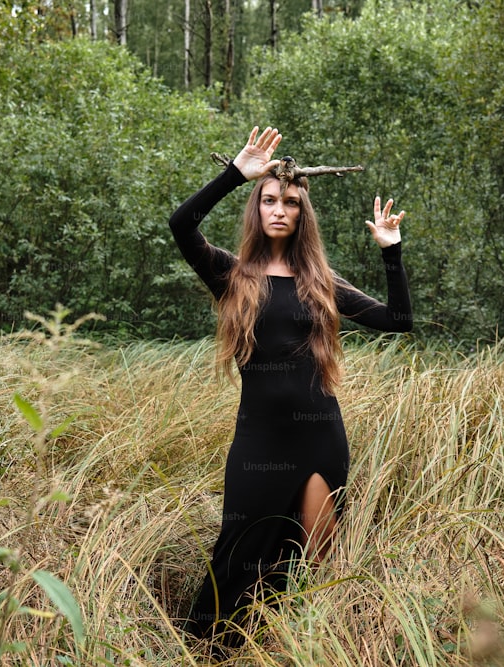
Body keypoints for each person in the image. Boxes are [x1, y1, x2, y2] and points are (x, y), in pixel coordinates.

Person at [168, 126, 412, 647]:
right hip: (258, 442)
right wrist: (236, 174)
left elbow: (398, 320)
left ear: (303, 215)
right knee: (238, 552)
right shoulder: (232, 275)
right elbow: (181, 224)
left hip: (320, 436)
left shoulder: (321, 282)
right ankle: (211, 651)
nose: (280, 209)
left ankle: (288, 649)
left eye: (291, 203)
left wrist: (390, 252)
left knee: (310, 561)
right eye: (271, 200)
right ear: (257, 209)